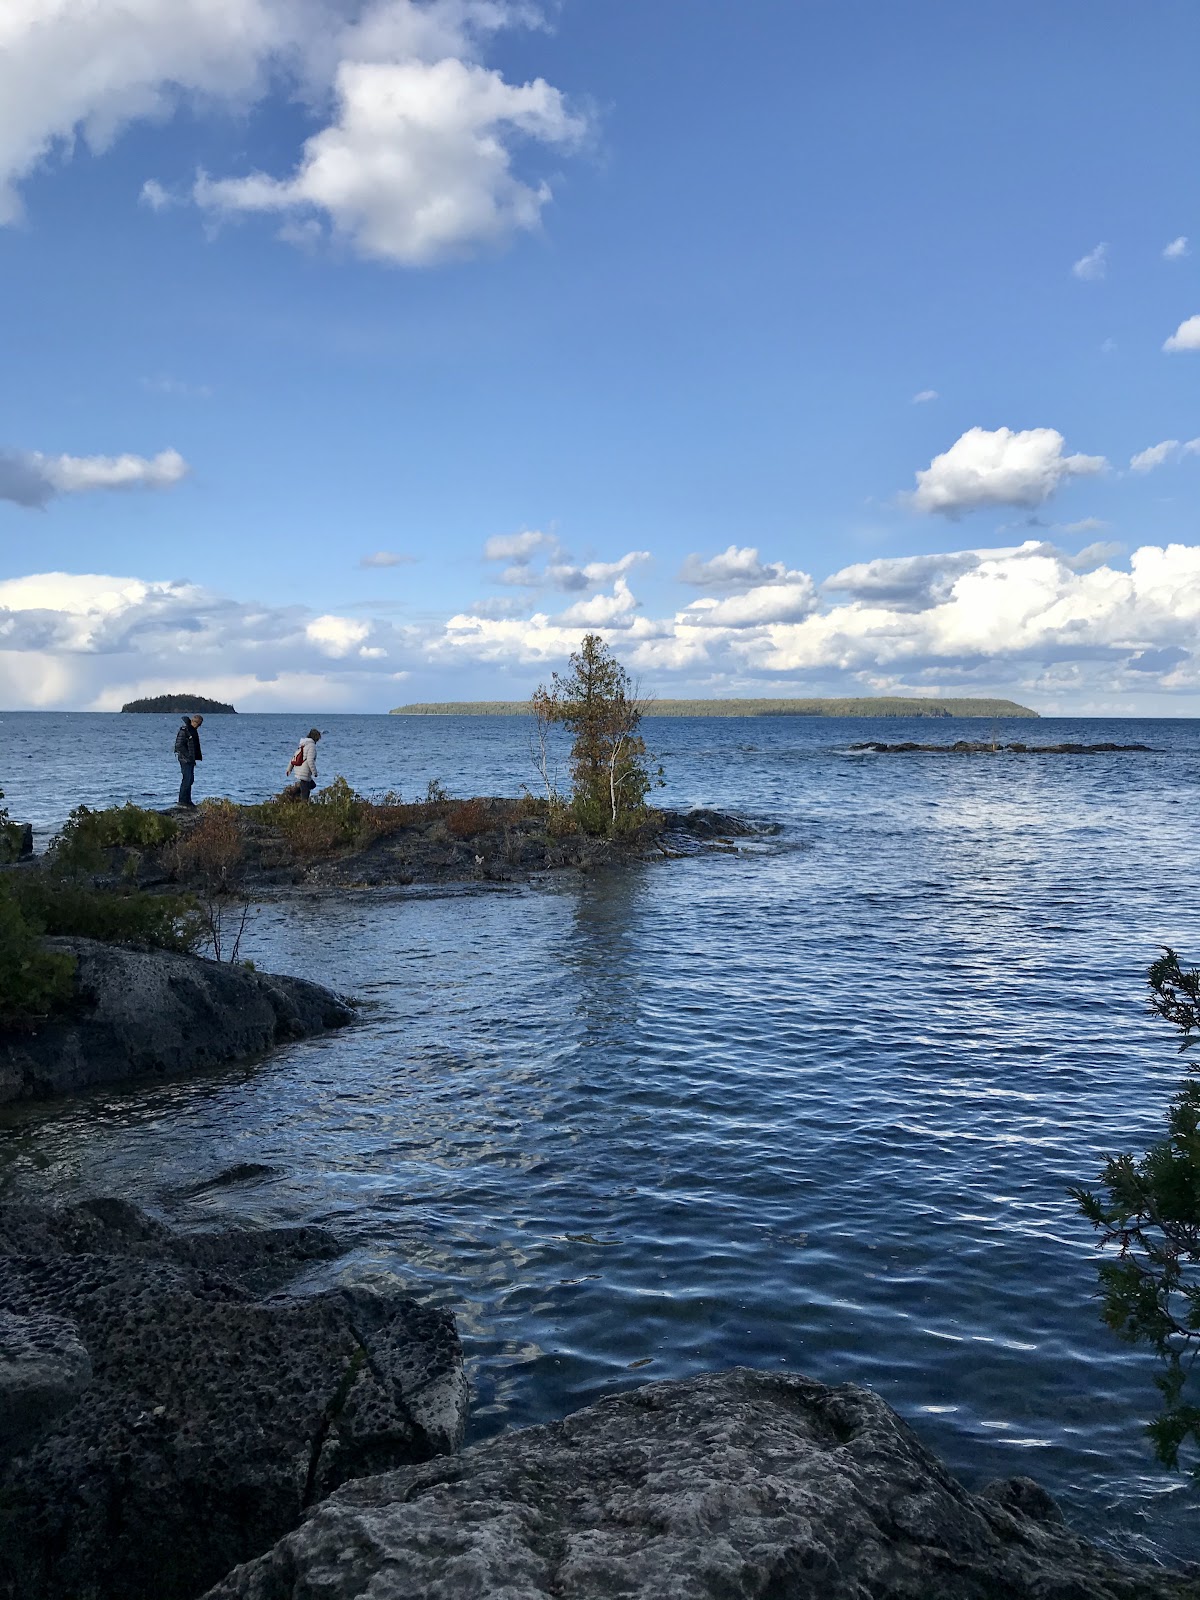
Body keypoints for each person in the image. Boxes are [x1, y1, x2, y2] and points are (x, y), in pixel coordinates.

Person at [174, 714, 203, 808]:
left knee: (190, 779)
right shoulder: (185, 730)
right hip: (184, 759)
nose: (199, 726)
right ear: (194, 722)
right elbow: (179, 745)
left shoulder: (192, 731)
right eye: (199, 724)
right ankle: (182, 801)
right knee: (186, 779)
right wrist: (188, 756)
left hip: (189, 759)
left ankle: (188, 800)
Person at [286, 727, 321, 800]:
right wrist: (314, 772)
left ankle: (295, 791)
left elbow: (294, 756)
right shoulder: (312, 746)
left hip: (298, 769)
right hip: (304, 772)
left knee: (312, 785)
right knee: (305, 795)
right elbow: (310, 760)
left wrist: (289, 768)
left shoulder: (303, 744)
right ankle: (295, 793)